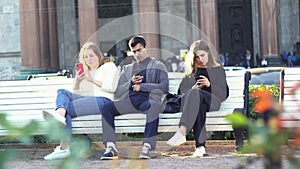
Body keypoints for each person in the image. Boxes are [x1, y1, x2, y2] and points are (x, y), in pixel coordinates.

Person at [42, 42, 120, 160]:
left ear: (99, 56)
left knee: (66, 108)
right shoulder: (85, 73)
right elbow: (79, 96)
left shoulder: (108, 66)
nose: (89, 59)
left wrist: (92, 80)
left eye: (91, 55)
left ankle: (63, 148)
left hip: (103, 101)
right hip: (88, 102)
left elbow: (112, 87)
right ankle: (60, 115)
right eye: (86, 57)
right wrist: (77, 82)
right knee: (62, 92)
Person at [100, 35, 169, 160]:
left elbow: (164, 88)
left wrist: (142, 87)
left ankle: (147, 147)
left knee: (154, 106)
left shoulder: (159, 65)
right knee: (107, 108)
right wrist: (131, 83)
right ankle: (110, 147)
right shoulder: (127, 69)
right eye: (134, 51)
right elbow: (117, 92)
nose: (137, 54)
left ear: (146, 47)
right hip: (129, 101)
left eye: (139, 50)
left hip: (148, 101)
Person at [166, 39, 229, 157]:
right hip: (198, 104)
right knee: (197, 99)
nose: (200, 59)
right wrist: (193, 88)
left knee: (196, 96)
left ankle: (182, 131)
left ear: (208, 54)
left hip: (213, 102)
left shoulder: (217, 70)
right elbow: (180, 93)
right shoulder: (191, 73)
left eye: (202, 55)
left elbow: (224, 94)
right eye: (197, 57)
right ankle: (200, 147)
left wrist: (209, 85)